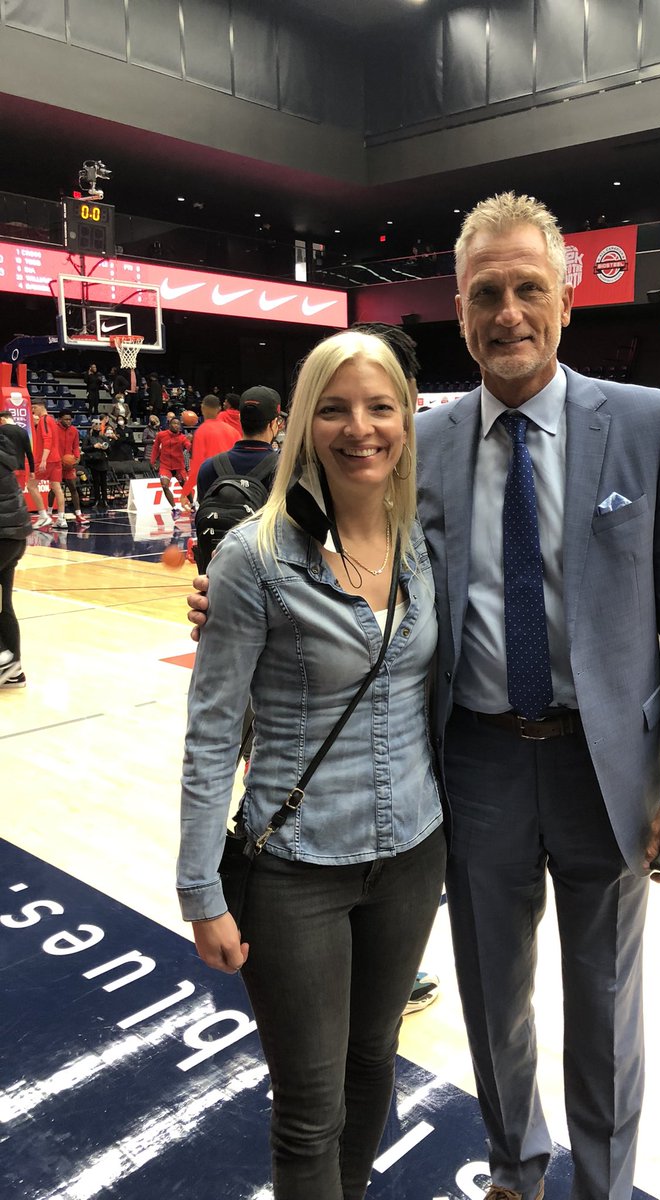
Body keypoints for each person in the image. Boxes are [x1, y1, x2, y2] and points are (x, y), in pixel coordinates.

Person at [189, 193, 660, 1200]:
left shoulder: (649, 426)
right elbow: (323, 548)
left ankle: (601, 1185)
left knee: (604, 1000)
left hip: (603, 766)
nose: (509, 312)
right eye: (487, 294)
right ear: (460, 310)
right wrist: (226, 590)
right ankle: (516, 1170)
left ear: (567, 299)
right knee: (492, 995)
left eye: (529, 289)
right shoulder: (417, 441)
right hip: (471, 761)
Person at [177, 330, 445, 1200]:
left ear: (406, 418)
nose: (358, 428)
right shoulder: (252, 559)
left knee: (374, 1063)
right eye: (334, 408)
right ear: (301, 425)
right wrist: (199, 889)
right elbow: (213, 731)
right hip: (294, 869)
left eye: (379, 407)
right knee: (308, 1105)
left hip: (413, 853)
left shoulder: (423, 542)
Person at [0, 424, 32, 687]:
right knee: (3, 605)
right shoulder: (3, 453)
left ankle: (2, 658)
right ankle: (14, 671)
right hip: (14, 537)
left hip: (2, 536)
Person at [180, 393, 241, 506]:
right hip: (233, 486)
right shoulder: (233, 431)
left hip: (211, 487)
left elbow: (197, 466)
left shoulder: (201, 432)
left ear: (203, 408)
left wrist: (185, 492)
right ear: (218, 409)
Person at [29, 400, 67, 530]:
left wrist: (44, 459)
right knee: (57, 488)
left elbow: (47, 440)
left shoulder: (44, 420)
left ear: (40, 407)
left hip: (47, 459)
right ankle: (61, 519)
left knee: (31, 486)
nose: (33, 411)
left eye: (34, 408)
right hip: (56, 459)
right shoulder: (51, 420)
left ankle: (43, 515)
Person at [150, 416, 191, 517]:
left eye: (178, 424)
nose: (176, 425)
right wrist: (153, 461)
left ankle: (193, 504)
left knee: (185, 485)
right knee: (164, 485)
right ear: (169, 425)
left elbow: (188, 446)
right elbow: (155, 448)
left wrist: (191, 444)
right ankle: (175, 508)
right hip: (165, 465)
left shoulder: (182, 438)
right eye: (174, 423)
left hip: (179, 466)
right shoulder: (161, 435)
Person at [57, 410, 89, 525]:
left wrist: (76, 458)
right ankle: (50, 513)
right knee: (54, 489)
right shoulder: (55, 429)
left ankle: (78, 514)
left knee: (73, 488)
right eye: (66, 419)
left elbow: (76, 446)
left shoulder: (74, 430)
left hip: (69, 463)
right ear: (60, 419)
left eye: (70, 419)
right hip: (57, 463)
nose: (68, 421)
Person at [83, 417, 112, 514]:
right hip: (93, 462)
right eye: (96, 424)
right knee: (96, 482)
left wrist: (105, 447)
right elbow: (84, 448)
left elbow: (109, 450)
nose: (98, 426)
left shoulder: (103, 437)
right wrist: (93, 446)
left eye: (100, 424)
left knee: (104, 482)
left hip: (103, 461)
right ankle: (96, 499)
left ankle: (105, 499)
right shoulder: (88, 437)